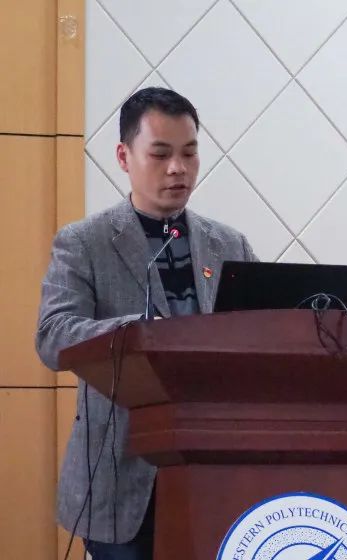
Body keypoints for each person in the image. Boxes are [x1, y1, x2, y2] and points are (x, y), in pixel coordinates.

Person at [35, 87, 257, 559]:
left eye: (189, 153)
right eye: (160, 154)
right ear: (124, 157)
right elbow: (53, 336)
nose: (178, 168)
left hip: (214, 469)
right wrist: (139, 330)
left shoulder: (229, 244)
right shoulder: (84, 242)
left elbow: (262, 334)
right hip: (120, 475)